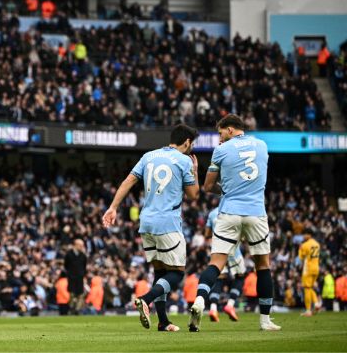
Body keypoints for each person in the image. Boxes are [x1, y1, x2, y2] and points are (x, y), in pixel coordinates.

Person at [104, 124, 200, 332]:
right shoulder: (184, 160)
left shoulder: (149, 156)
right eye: (192, 144)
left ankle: (163, 321)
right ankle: (146, 300)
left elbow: (128, 181)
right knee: (176, 273)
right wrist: (195, 172)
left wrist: (113, 208)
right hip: (168, 223)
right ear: (186, 142)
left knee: (160, 271)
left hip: (146, 222)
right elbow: (194, 195)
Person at [190, 114, 281, 332]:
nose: (219, 139)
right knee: (263, 266)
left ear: (230, 130)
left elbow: (208, 186)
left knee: (216, 263)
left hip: (229, 211)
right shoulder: (262, 145)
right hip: (256, 212)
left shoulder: (221, 150)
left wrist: (228, 188)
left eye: (221, 133)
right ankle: (265, 321)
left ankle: (200, 301)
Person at [204, 204, 245, 322]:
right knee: (240, 276)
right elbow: (242, 235)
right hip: (233, 251)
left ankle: (213, 308)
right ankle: (230, 305)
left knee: (219, 279)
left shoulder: (212, 213)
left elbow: (207, 234)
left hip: (217, 250)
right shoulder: (234, 210)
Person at [298, 228, 321, 316]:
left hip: (308, 268)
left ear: (309, 235)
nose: (304, 236)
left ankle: (308, 310)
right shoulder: (317, 244)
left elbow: (301, 257)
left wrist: (300, 249)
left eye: (305, 234)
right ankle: (316, 304)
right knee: (310, 287)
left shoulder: (305, 245)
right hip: (316, 268)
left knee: (306, 288)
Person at [63, 239, 86, 314]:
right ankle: (71, 309)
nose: (82, 247)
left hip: (80, 278)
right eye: (81, 245)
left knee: (80, 294)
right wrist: (70, 274)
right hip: (72, 278)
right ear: (76, 245)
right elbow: (66, 265)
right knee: (72, 295)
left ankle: (77, 310)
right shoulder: (69, 254)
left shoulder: (83, 256)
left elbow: (84, 266)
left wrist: (82, 274)